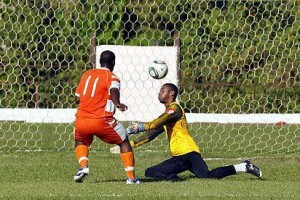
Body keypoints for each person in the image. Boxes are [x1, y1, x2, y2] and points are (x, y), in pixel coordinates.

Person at [126, 83, 262, 180]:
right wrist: (131, 144)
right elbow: (154, 131)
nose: (159, 93)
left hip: (189, 153)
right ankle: (173, 179)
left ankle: (244, 166)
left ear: (171, 93)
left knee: (207, 176)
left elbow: (159, 121)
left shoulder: (175, 109)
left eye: (162, 91)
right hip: (178, 158)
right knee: (150, 172)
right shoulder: (167, 113)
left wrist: (142, 126)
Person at [73, 50, 140, 184]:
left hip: (81, 120)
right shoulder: (112, 77)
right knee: (123, 142)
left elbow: (76, 98)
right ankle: (132, 178)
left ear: (100, 61)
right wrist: (117, 103)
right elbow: (113, 90)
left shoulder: (87, 75)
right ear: (113, 63)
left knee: (80, 140)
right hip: (101, 120)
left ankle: (83, 166)